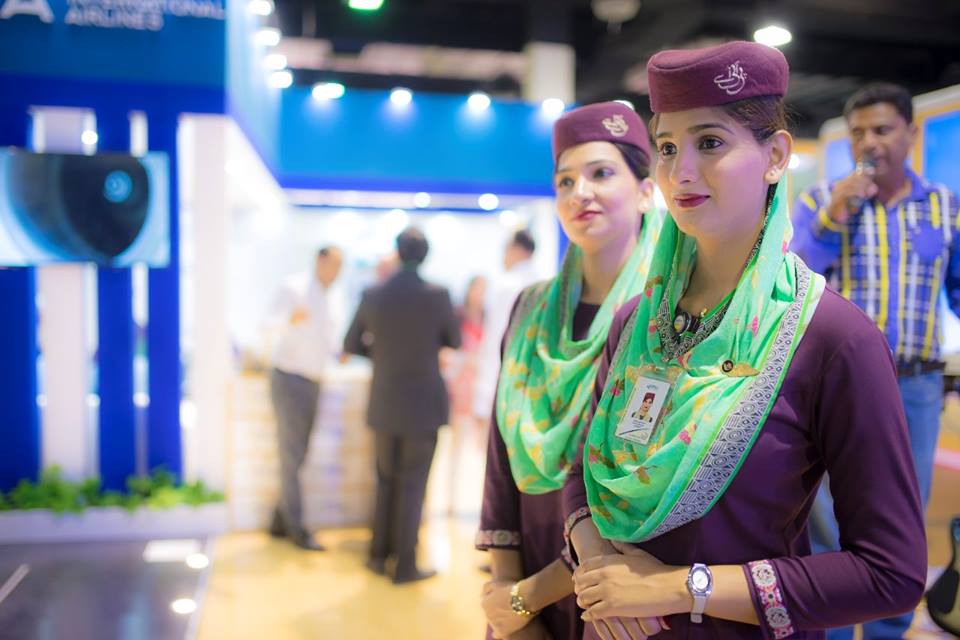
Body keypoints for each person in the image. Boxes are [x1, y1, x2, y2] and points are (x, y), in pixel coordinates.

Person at [562, 41, 926, 640]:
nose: (680, 172)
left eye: (710, 142)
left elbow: (889, 572)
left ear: (775, 155)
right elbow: (585, 470)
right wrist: (603, 568)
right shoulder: (636, 324)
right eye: (667, 147)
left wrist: (678, 588)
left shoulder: (832, 337)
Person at [476, 101, 660, 640]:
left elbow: (644, 484)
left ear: (646, 192)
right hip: (527, 566)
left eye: (601, 173)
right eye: (565, 181)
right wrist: (507, 594)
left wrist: (533, 594)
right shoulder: (531, 309)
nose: (580, 192)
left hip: (617, 581)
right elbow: (501, 448)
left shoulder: (663, 315)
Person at [792, 83, 959, 640]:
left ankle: (890, 630)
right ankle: (831, 626)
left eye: (882, 130)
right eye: (859, 132)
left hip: (916, 384)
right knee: (825, 512)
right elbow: (797, 278)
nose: (869, 142)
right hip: (835, 384)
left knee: (902, 514)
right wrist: (837, 212)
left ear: (911, 134)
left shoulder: (945, 207)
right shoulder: (822, 202)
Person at [343, 226, 461, 584]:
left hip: (384, 401)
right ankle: (405, 565)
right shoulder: (437, 294)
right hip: (423, 403)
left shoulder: (374, 293)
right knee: (414, 483)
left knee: (385, 480)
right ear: (425, 255)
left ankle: (378, 555)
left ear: (397, 252)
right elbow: (453, 340)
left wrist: (381, 355)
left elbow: (351, 343)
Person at [264, 246, 343, 551]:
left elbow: (328, 340)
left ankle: (279, 520)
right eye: (334, 265)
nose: (337, 273)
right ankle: (297, 528)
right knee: (292, 454)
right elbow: (269, 325)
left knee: (298, 454)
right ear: (320, 261)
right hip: (290, 378)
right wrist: (290, 320)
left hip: (313, 380)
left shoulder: (331, 297)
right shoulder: (294, 288)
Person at [473, 230, 541, 426]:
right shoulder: (544, 284)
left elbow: (495, 341)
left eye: (505, 249)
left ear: (518, 250)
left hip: (503, 381)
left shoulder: (506, 285)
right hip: (534, 383)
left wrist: (484, 395)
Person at [444, 275, 487, 516]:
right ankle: (450, 498)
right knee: (455, 446)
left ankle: (478, 502)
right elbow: (448, 351)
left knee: (480, 448)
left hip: (480, 388)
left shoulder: (488, 318)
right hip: (459, 386)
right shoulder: (458, 316)